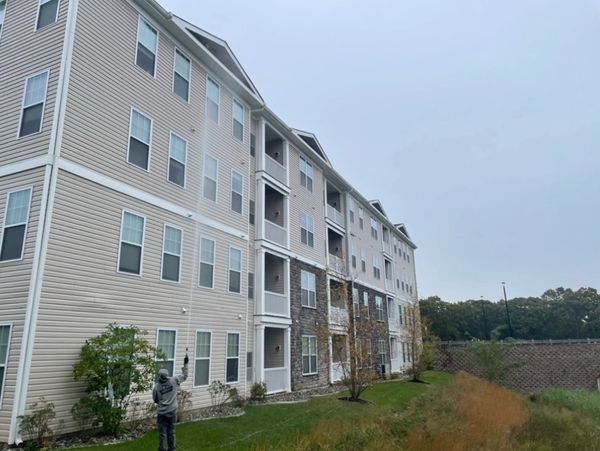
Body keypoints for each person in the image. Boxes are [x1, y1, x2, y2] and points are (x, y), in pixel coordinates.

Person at [153, 353, 189, 451]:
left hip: (162, 413)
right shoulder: (174, 380)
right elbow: (185, 376)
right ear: (167, 375)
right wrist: (186, 363)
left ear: (159, 376)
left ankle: (162, 449)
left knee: (162, 433)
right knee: (171, 431)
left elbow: (155, 400)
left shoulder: (156, 387)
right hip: (172, 411)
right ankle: (172, 449)